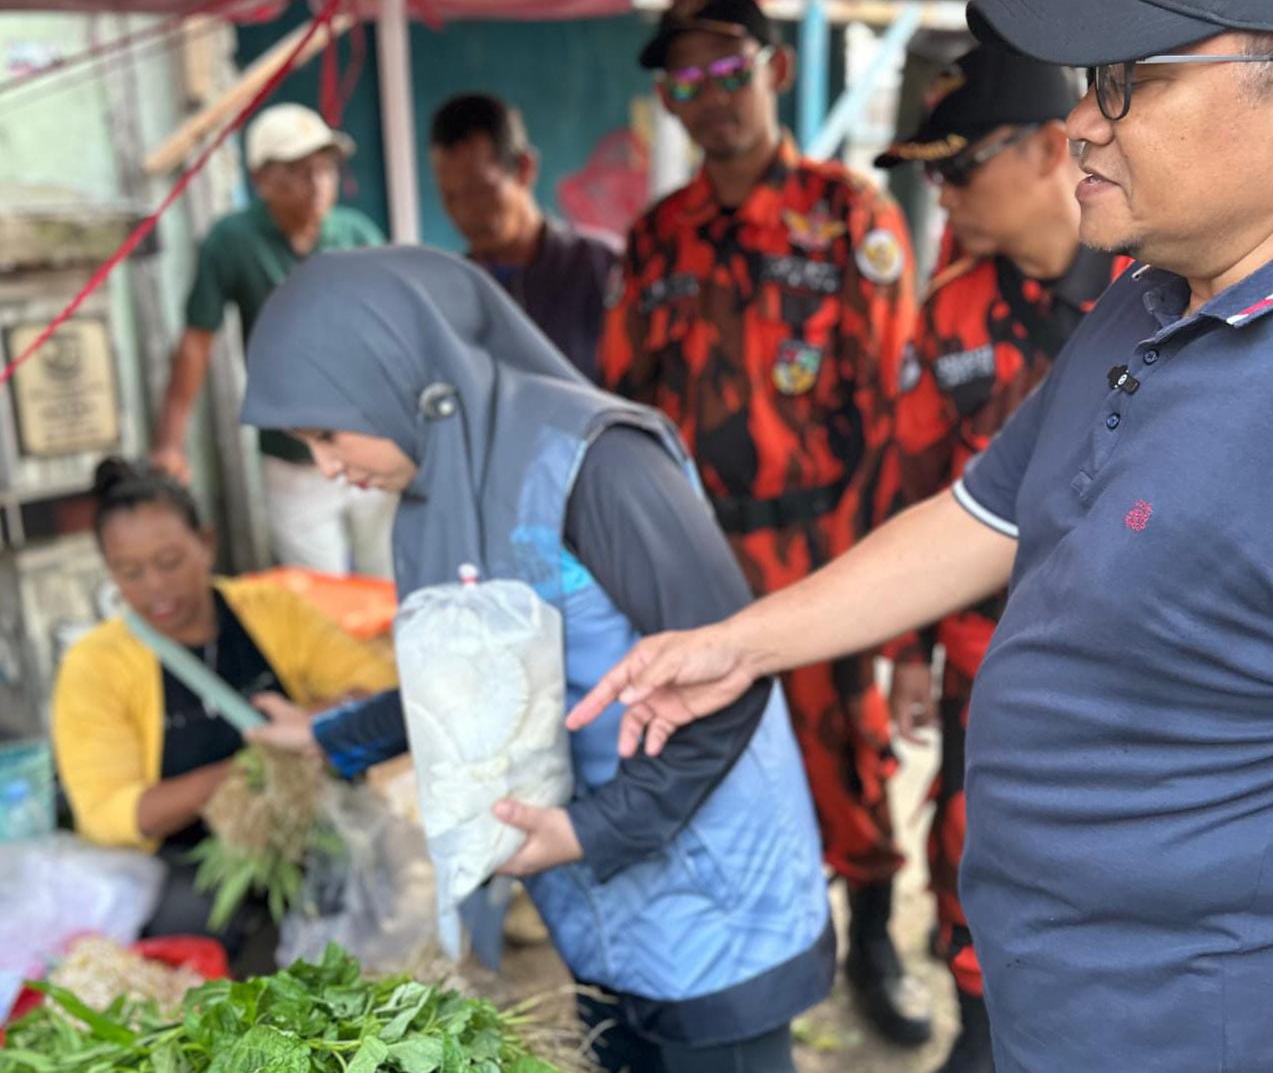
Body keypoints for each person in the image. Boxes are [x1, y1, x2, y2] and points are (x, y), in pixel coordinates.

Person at [570, 0, 1273, 1068]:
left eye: (1125, 80)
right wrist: (736, 642)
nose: (1080, 124)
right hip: (1053, 992)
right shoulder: (1137, 305)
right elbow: (974, 515)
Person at [239, 245, 832, 1073]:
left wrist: (585, 830)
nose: (327, 468)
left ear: (392, 372)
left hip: (712, 902)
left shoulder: (595, 463)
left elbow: (729, 681)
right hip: (595, 898)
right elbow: (475, 685)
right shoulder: (435, 493)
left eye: (327, 434)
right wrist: (334, 736)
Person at [598, 0, 928, 1046]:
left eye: (725, 67)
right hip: (694, 550)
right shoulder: (655, 238)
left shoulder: (849, 216)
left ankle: (871, 939)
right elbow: (623, 407)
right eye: (684, 79)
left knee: (846, 746)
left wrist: (893, 594)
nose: (708, 95)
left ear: (773, 71)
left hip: (824, 540)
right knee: (712, 750)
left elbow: (894, 414)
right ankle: (747, 948)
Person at [873, 43, 1126, 1073]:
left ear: (1044, 150)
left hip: (1129, 665)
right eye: (929, 172)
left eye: (959, 166)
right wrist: (901, 652)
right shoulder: (952, 314)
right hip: (988, 663)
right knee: (971, 861)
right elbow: (914, 490)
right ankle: (977, 1040)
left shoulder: (1157, 284)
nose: (941, 193)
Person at [51, 458, 397, 969]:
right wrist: (249, 766)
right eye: (131, 572)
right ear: (110, 574)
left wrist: (311, 724)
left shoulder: (271, 610)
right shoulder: (95, 667)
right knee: (195, 915)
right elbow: (111, 816)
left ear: (206, 544)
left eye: (170, 561)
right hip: (184, 864)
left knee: (362, 879)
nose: (155, 587)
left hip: (300, 834)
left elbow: (379, 685)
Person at [152, 102, 394, 577]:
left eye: (325, 168)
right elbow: (197, 342)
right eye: (300, 171)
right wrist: (170, 444)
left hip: (372, 444)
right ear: (261, 179)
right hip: (295, 460)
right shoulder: (233, 241)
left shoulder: (356, 233)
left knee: (391, 586)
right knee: (322, 604)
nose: (318, 182)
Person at [429, 93, 619, 382]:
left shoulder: (604, 268)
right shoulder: (450, 291)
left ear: (525, 168)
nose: (465, 213)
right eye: (450, 196)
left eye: (481, 191)